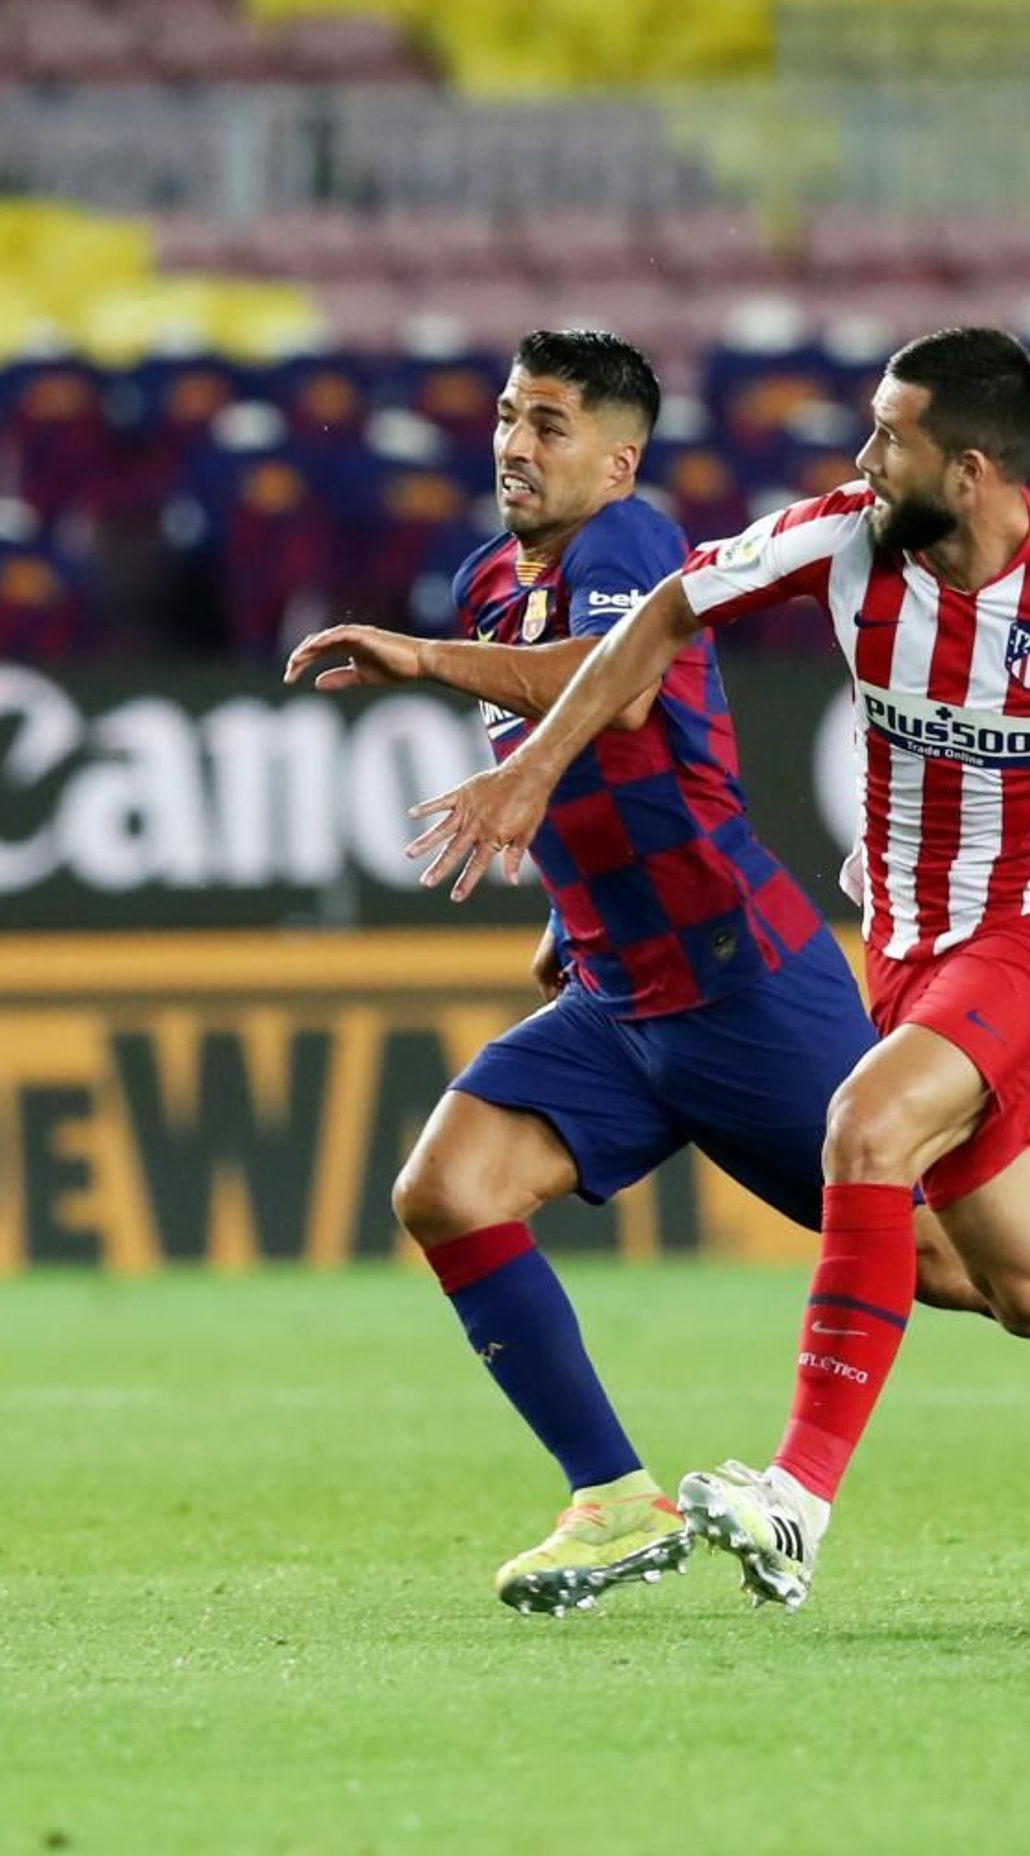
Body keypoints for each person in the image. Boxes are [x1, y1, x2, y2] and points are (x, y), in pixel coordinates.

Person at [403, 325, 1030, 1611]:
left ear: (964, 470)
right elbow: (669, 619)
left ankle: (795, 1496)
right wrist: (548, 813)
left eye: (886, 435)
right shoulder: (842, 534)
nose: (859, 455)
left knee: (868, 1127)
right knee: (1027, 1282)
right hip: (900, 952)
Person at [283, 328, 876, 1614]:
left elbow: (608, 697)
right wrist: (570, 909)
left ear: (617, 460)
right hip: (617, 991)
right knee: (446, 1186)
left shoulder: (633, 542)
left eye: (546, 423)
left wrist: (421, 658)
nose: (511, 442)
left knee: (972, 1266)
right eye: (505, 413)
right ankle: (610, 1497)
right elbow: (599, 774)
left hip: (742, 984)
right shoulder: (490, 578)